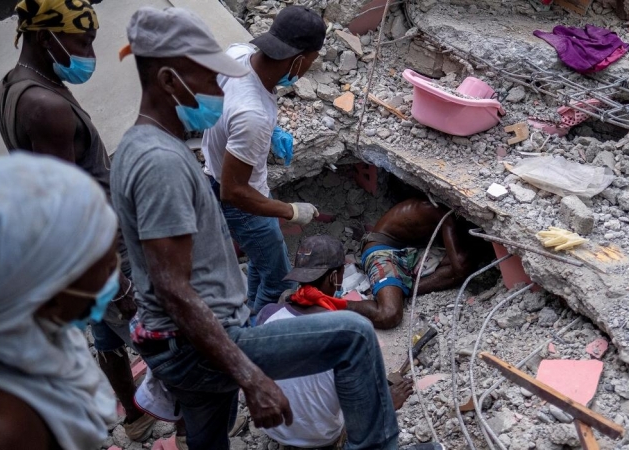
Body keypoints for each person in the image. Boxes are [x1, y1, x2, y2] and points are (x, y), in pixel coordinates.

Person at [112, 7, 426, 450]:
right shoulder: (162, 163)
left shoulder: (141, 146)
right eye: (208, 81)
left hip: (182, 341)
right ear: (168, 81)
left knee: (208, 432)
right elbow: (172, 287)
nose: (219, 94)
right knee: (353, 337)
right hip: (198, 345)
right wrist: (249, 374)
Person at [0, 0, 155, 441]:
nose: (90, 52)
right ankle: (185, 427)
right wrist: (116, 281)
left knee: (106, 338)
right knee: (161, 346)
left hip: (88, 257)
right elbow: (69, 210)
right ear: (45, 37)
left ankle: (137, 418)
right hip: (101, 253)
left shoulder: (14, 84)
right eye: (81, 40)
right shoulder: (45, 106)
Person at [201, 5, 325, 320]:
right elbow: (234, 192)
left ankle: (249, 305)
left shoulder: (239, 55)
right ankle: (257, 332)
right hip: (239, 201)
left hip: (218, 171)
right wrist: (291, 211)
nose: (308, 68)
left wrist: (270, 132)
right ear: (298, 59)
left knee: (262, 259)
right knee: (278, 278)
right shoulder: (253, 115)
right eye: (311, 61)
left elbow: (233, 113)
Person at [0, 153, 120, 450]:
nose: (115, 273)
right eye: (104, 266)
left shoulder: (44, 331)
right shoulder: (14, 430)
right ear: (49, 298)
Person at [256, 235, 416, 449]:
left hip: (275, 429)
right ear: (335, 277)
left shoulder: (267, 315)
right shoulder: (347, 335)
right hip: (321, 437)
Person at [349, 199, 483, 329]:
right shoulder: (443, 215)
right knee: (389, 314)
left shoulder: (446, 216)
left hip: (410, 252)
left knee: (467, 264)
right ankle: (338, 306)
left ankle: (399, 290)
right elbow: (459, 266)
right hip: (382, 251)